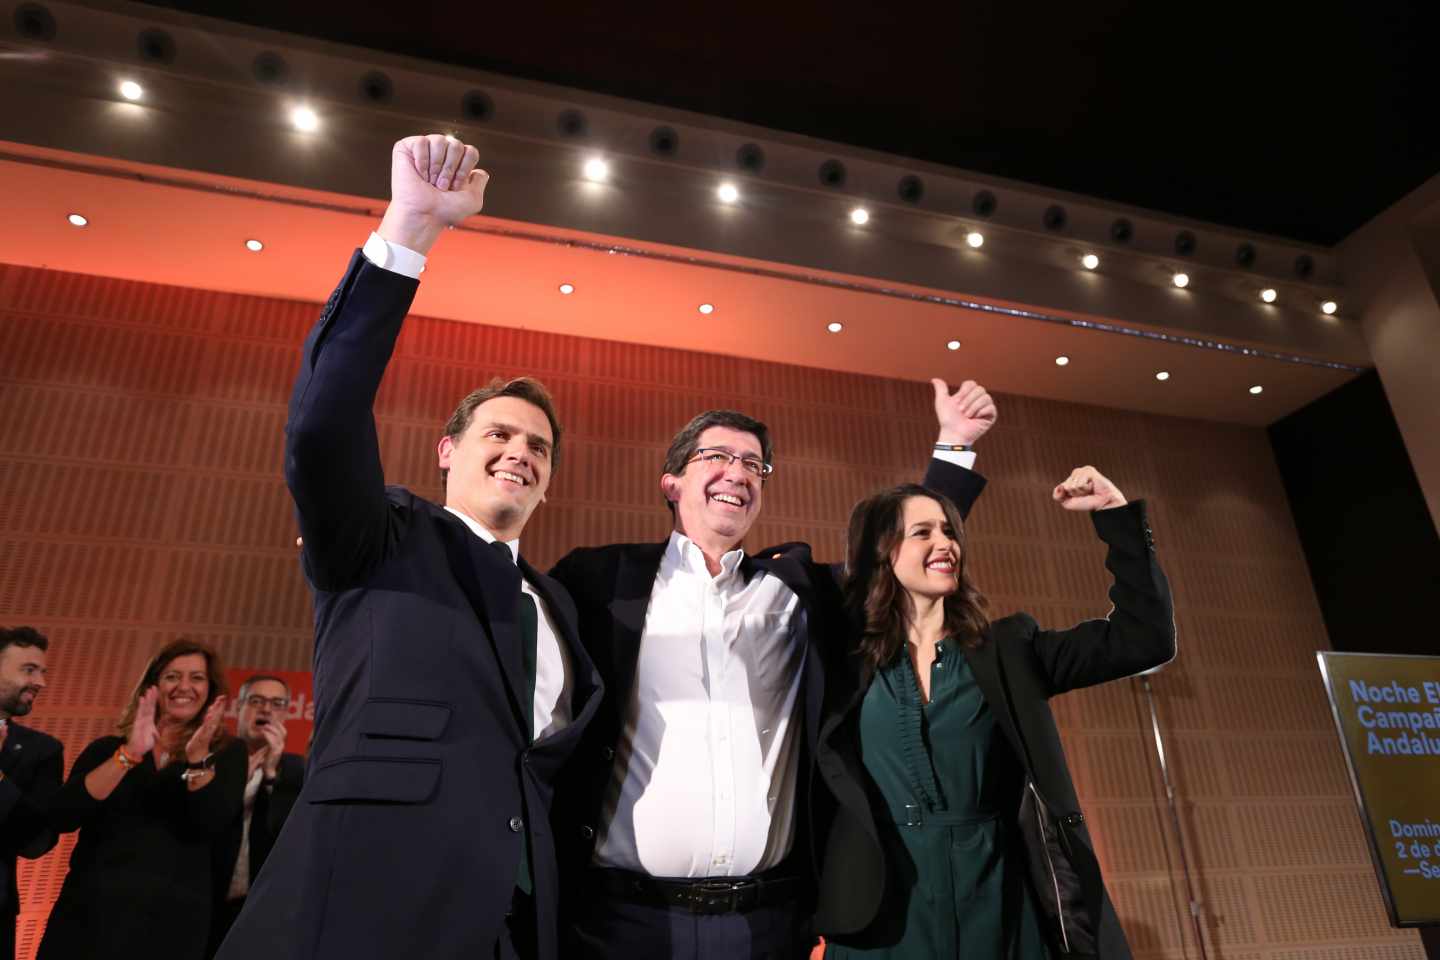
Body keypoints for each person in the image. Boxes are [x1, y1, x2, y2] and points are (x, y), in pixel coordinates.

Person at [217, 134, 602, 960]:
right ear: (445, 450)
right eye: (499, 433)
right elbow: (323, 421)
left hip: (514, 927)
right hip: (362, 913)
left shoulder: (558, 604)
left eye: (539, 448)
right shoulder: (380, 537)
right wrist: (410, 231)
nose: (520, 454)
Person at [549, 381, 995, 958]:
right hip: (622, 921)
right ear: (672, 481)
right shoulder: (598, 580)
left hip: (768, 925)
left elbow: (899, 552)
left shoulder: (795, 591)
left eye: (754, 464)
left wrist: (955, 445)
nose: (739, 471)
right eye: (718, 456)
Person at [813, 468, 1176, 959]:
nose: (945, 543)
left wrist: (1116, 516)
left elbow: (1144, 638)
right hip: (884, 916)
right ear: (882, 552)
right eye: (922, 533)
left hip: (1000, 906)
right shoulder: (840, 660)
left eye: (948, 531)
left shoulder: (1007, 649)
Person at [39, 639, 243, 960]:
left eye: (196, 678)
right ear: (152, 686)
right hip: (90, 919)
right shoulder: (107, 749)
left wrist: (198, 758)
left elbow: (210, 825)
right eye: (172, 676)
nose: (184, 687)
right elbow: (62, 816)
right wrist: (130, 754)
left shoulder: (227, 755)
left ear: (211, 690)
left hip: (171, 928)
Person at [207, 675, 304, 958]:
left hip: (263, 912)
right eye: (257, 701)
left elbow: (289, 838)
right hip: (209, 906)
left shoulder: (296, 770)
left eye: (277, 703)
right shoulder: (212, 760)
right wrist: (239, 779)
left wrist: (271, 776)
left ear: (286, 713)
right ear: (239, 708)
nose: (266, 710)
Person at [0, 627, 61, 960]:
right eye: (28, 669)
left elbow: (37, 842)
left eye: (42, 671)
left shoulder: (42, 751)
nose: (41, 682)